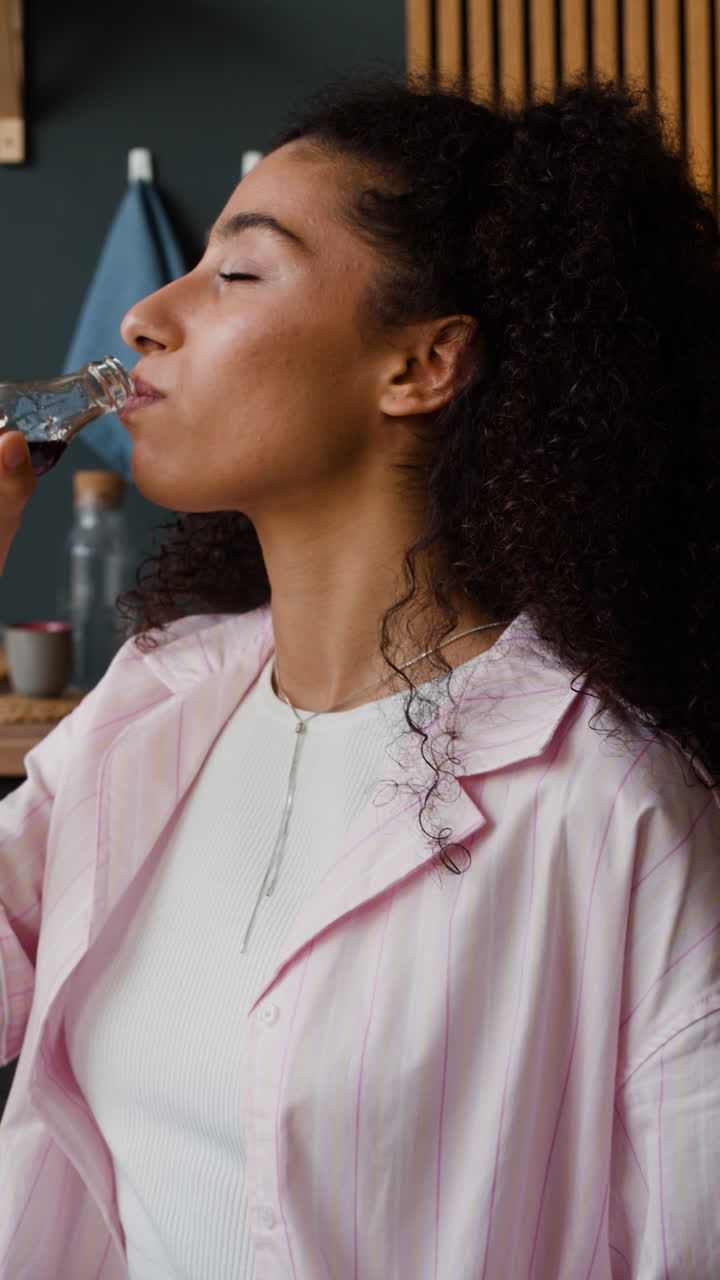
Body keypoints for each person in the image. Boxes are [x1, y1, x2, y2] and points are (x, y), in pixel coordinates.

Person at [1, 69, 719, 1279]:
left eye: (238, 270)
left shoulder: (619, 806)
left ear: (422, 365)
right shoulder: (151, 705)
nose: (139, 319)